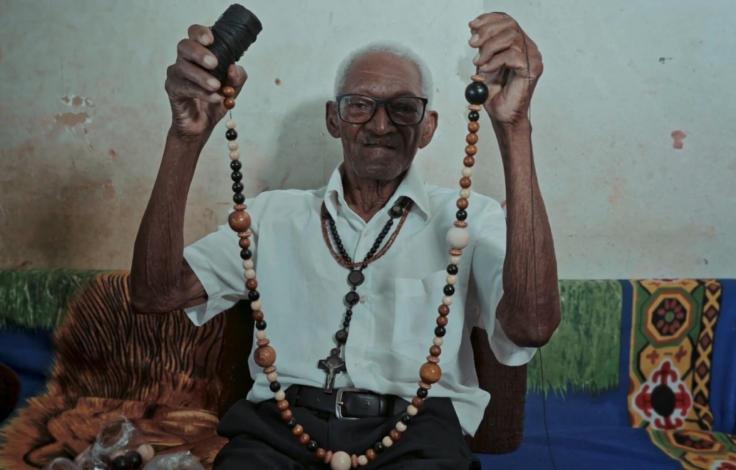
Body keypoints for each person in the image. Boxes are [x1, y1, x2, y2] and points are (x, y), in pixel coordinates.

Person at [130, 11, 561, 470]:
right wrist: (185, 137)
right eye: (358, 105)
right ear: (333, 119)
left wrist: (514, 127)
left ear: (428, 126)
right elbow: (155, 294)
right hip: (279, 431)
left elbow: (532, 328)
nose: (380, 125)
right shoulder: (270, 216)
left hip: (418, 434)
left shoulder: (470, 218)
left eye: (404, 107)